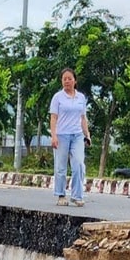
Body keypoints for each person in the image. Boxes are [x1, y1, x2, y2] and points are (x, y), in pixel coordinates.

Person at [48, 68, 90, 206]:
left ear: (75, 81)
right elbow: (53, 118)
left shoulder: (81, 98)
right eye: (64, 79)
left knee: (79, 164)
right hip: (61, 135)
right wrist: (53, 136)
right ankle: (61, 195)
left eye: (69, 78)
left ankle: (77, 195)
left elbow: (83, 118)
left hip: (77, 135)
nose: (67, 81)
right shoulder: (57, 97)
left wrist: (87, 135)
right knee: (60, 167)